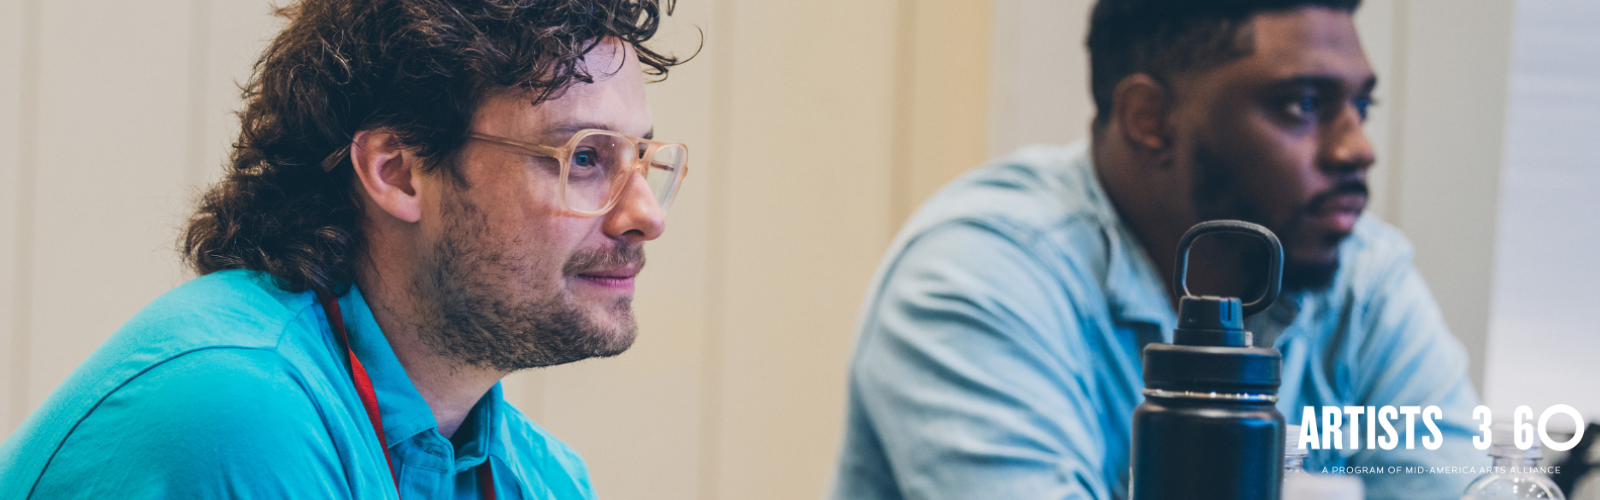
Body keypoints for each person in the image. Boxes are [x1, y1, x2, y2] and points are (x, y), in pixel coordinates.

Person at [0, 0, 689, 497]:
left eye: (643, 157)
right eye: (587, 157)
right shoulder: (238, 409)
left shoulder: (542, 476)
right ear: (396, 170)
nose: (645, 215)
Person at [829, 0, 1485, 499]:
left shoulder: (1362, 276)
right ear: (1150, 118)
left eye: (1361, 106)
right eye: (1303, 104)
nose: (1355, 148)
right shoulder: (976, 280)